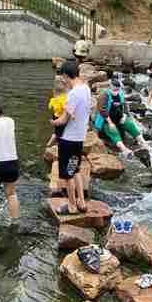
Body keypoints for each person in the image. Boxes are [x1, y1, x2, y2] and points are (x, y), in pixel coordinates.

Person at [51, 61, 91, 214]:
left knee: (67, 175)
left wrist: (52, 121)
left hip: (68, 139)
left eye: (64, 78)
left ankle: (72, 206)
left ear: (67, 75)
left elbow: (63, 119)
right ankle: (82, 202)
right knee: (76, 170)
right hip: (79, 137)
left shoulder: (74, 94)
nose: (64, 80)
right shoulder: (86, 89)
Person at [93, 77, 145, 159]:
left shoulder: (120, 94)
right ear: (110, 87)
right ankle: (124, 150)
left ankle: (143, 143)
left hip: (119, 118)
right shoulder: (104, 95)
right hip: (106, 121)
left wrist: (124, 115)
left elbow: (124, 105)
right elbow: (102, 111)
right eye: (114, 90)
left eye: (117, 90)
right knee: (114, 131)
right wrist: (110, 123)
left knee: (130, 124)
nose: (115, 92)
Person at [47, 78, 68, 147]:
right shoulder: (63, 99)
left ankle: (50, 143)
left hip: (55, 115)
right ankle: (51, 144)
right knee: (60, 133)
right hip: (61, 117)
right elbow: (65, 107)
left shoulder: (54, 99)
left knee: (56, 131)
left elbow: (50, 107)